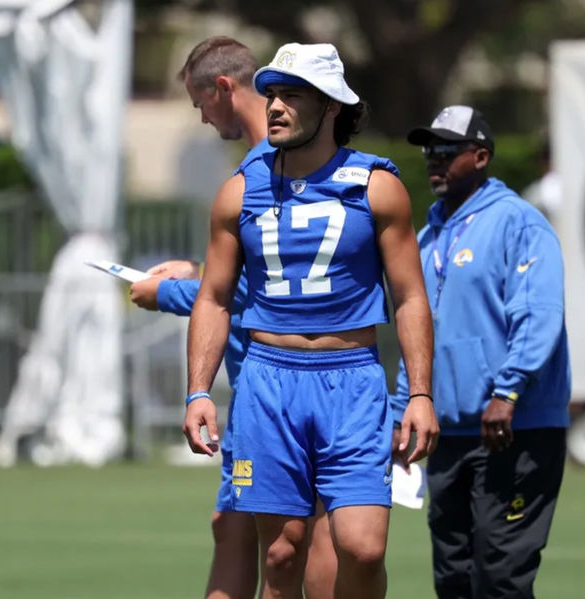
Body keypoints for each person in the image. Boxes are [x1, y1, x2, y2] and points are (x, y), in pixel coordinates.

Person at [184, 42, 438, 599]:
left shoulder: (377, 187)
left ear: (331, 107)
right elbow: (214, 299)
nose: (274, 106)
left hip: (352, 384)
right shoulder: (237, 192)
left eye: (292, 95)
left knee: (363, 547)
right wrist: (198, 391)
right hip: (267, 385)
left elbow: (411, 297)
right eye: (271, 93)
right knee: (279, 554)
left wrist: (419, 394)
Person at [128, 36, 336, 599]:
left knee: (292, 542)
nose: (201, 118)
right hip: (261, 387)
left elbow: (249, 294)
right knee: (242, 531)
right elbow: (258, 271)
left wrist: (169, 294)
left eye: (201, 104)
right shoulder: (262, 164)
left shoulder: (271, 162)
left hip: (279, 388)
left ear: (224, 89)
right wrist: (192, 270)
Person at [393, 105, 571, 599]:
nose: (435, 161)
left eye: (448, 151)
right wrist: (403, 407)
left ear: (481, 157)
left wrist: (508, 390)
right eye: (430, 150)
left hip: (514, 428)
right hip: (448, 434)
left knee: (500, 576)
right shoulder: (427, 237)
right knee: (453, 578)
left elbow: (538, 313)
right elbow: (417, 332)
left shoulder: (518, 222)